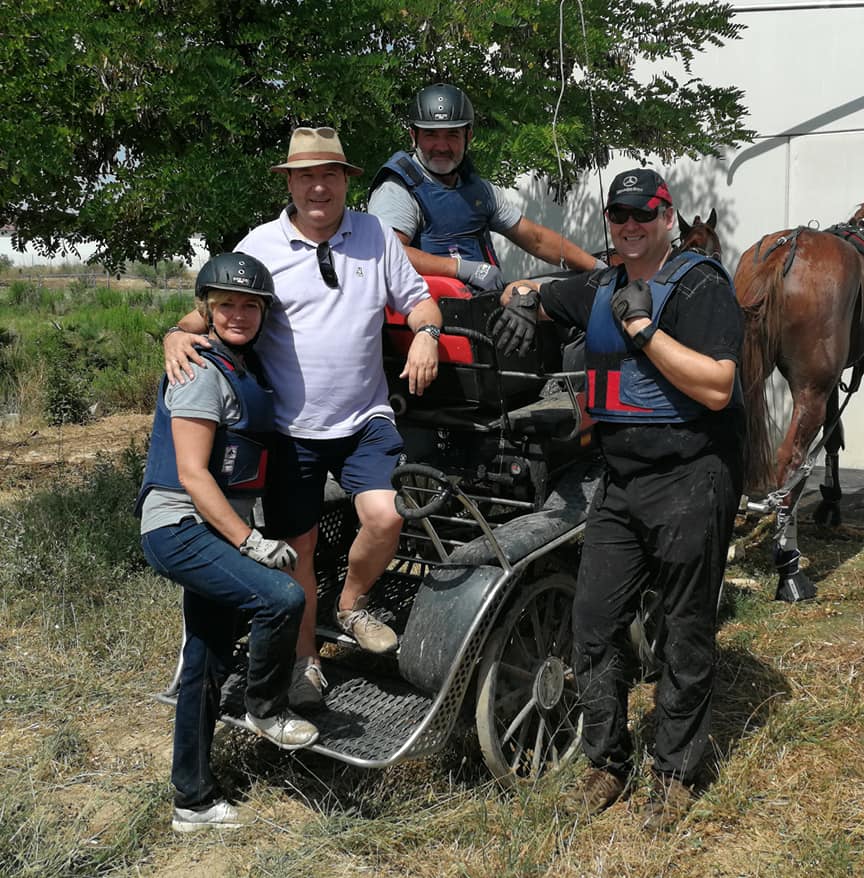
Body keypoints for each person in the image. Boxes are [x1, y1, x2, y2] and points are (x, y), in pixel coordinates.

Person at [494, 169, 745, 829]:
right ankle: (607, 760)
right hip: (622, 478)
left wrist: (645, 333)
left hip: (693, 474)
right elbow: (538, 291)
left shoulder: (699, 284)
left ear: (668, 215)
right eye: (619, 215)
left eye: (644, 213)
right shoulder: (601, 284)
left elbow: (718, 387)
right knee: (594, 622)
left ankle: (675, 773)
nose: (630, 225)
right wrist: (522, 303)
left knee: (685, 630)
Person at [163, 127, 442, 708]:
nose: (319, 186)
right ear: (289, 182)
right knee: (301, 548)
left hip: (365, 415)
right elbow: (213, 308)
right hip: (290, 430)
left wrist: (427, 335)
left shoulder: (374, 234)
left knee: (387, 516)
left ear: (345, 180)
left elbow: (418, 299)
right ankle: (306, 660)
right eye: (306, 176)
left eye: (330, 175)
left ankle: (353, 604)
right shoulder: (261, 244)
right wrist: (173, 334)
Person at [138, 252, 320, 833]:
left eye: (249, 304)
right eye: (226, 305)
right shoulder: (199, 373)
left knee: (206, 662)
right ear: (207, 311)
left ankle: (191, 800)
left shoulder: (241, 363)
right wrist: (252, 543)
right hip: (180, 526)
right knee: (282, 598)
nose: (238, 313)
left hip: (209, 528)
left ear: (263, 312)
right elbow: (192, 473)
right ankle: (266, 708)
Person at [368, 83, 604, 293]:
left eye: (453, 135)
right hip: (429, 318)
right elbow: (389, 253)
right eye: (430, 134)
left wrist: (597, 268)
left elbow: (536, 239)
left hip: (485, 307)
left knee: (566, 295)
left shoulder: (480, 190)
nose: (441, 146)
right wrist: (461, 269)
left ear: (468, 136)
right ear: (414, 136)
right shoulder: (398, 189)